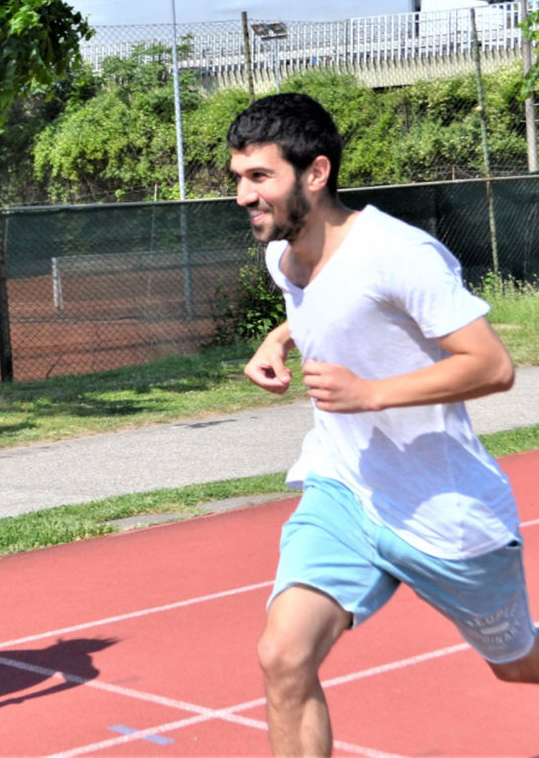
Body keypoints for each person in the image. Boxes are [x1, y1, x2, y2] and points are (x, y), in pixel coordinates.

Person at [226, 92, 539, 756]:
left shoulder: (400, 253)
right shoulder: (283, 256)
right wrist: (277, 339)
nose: (244, 195)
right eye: (239, 177)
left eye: (259, 177)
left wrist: (372, 394)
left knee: (518, 667)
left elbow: (492, 365)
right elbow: (326, 303)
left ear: (315, 173)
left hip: (445, 515)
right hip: (345, 489)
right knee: (283, 656)